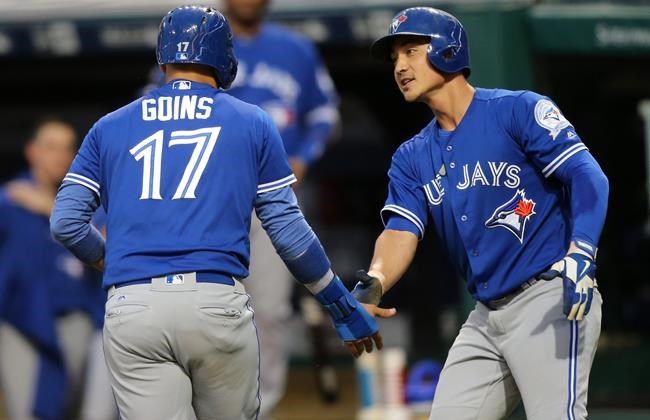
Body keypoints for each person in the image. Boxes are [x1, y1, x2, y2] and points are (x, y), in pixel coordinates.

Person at [49, 6, 390, 420]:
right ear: (226, 59)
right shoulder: (252, 122)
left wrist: (107, 258)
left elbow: (65, 222)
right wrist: (338, 304)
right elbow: (288, 230)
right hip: (213, 304)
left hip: (132, 307)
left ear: (162, 58)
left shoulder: (111, 124)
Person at [352, 7, 609, 420]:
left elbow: (588, 177)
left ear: (448, 52)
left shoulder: (517, 111)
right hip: (486, 316)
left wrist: (582, 252)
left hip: (549, 298)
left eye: (411, 51)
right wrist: (375, 282)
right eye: (394, 57)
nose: (399, 66)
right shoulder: (412, 156)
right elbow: (402, 229)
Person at [224, 0, 341, 416]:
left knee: (270, 313)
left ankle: (261, 408)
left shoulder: (295, 49)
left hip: (275, 196)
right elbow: (157, 100)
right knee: (212, 306)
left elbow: (325, 111)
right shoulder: (204, 43)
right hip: (215, 198)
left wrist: (305, 156)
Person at [0, 117, 115, 420]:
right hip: (21, 321)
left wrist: (49, 207)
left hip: (82, 321)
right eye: (50, 147)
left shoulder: (90, 202)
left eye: (67, 148)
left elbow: (111, 247)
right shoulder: (10, 200)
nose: (60, 156)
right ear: (32, 151)